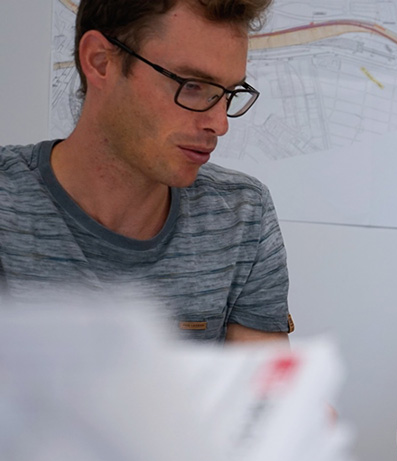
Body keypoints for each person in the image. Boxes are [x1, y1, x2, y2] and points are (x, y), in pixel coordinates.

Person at [0, 0, 291, 343]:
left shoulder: (243, 215)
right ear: (100, 61)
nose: (219, 124)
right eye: (193, 85)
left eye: (227, 94)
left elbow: (266, 377)